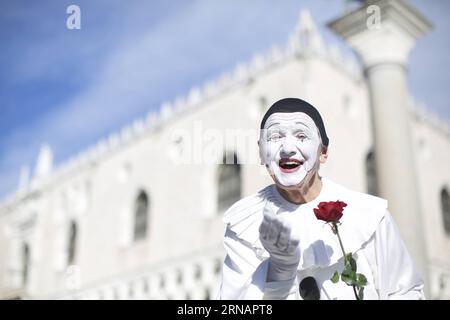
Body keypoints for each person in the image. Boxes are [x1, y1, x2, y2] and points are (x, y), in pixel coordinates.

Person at [218, 98, 425, 300]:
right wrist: (277, 272)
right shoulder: (244, 225)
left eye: (301, 135)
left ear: (323, 152)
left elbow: (405, 290)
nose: (287, 148)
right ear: (262, 153)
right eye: (274, 137)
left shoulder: (369, 215)